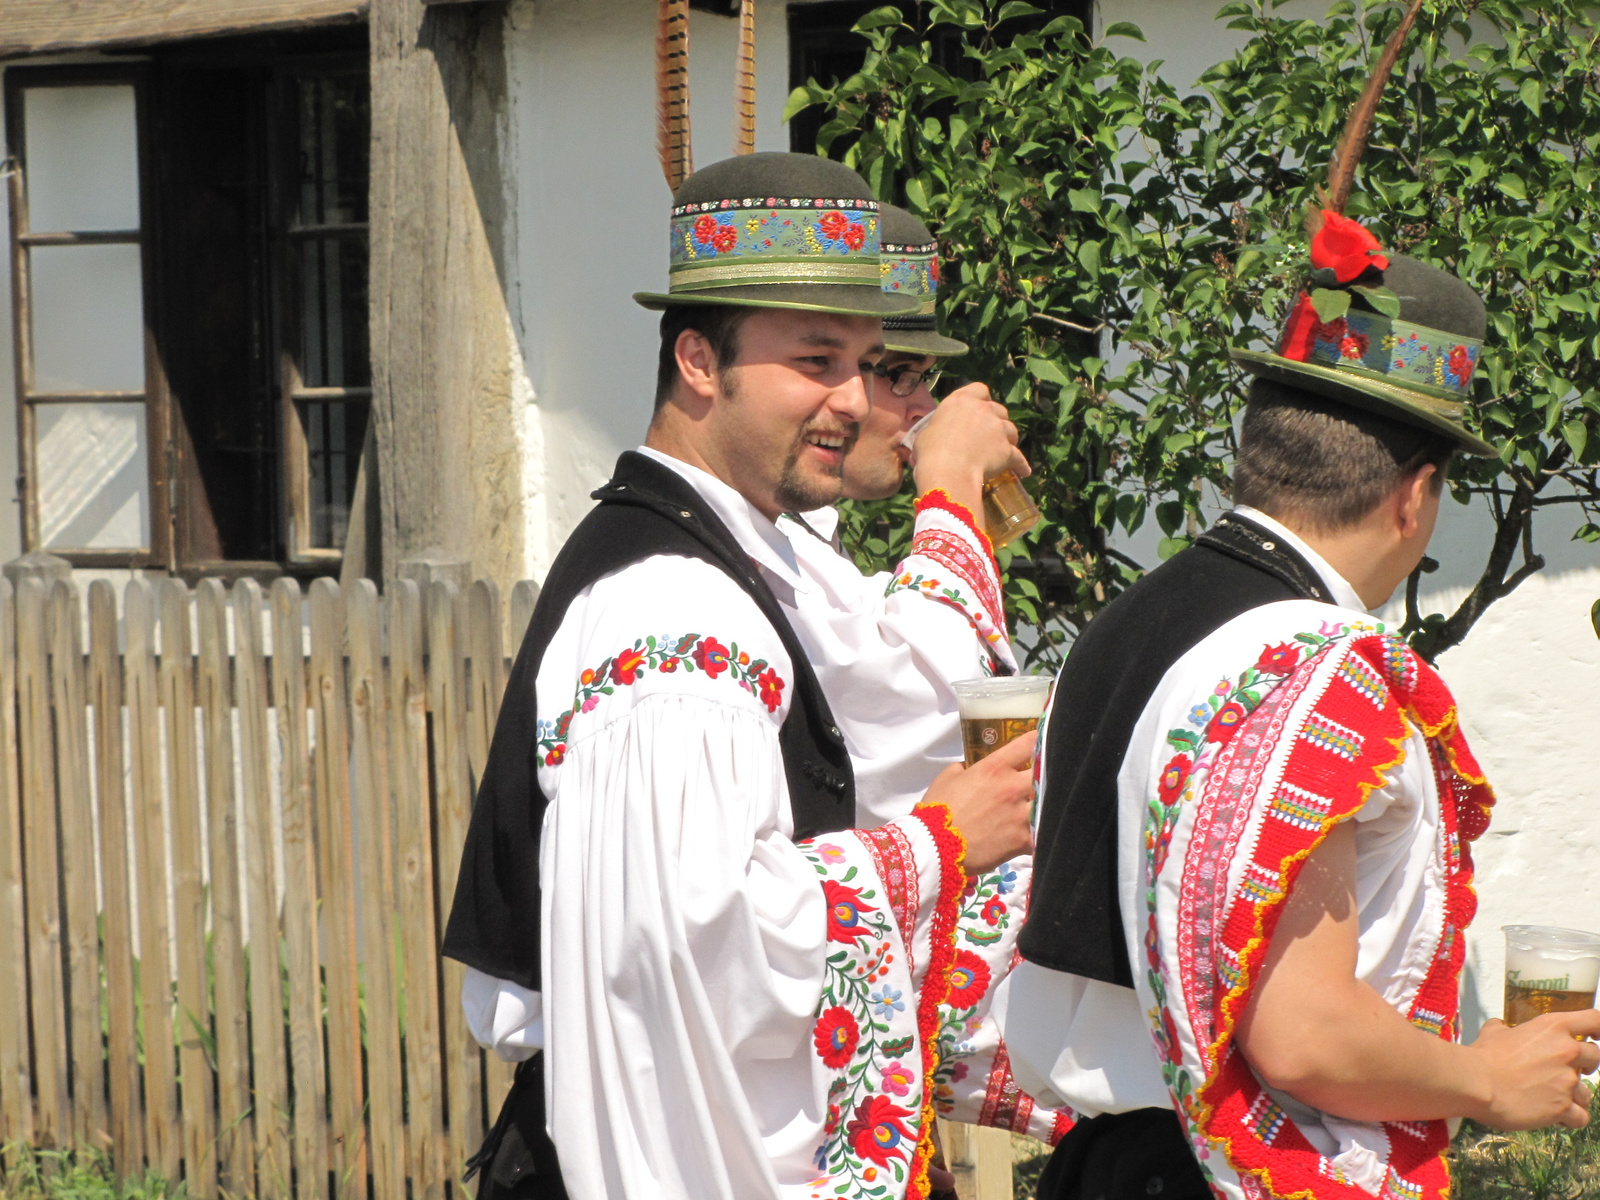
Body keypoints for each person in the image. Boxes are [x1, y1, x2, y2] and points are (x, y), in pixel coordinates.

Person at [442, 152, 1039, 1200]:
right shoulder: (675, 615)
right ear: (699, 363)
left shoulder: (729, 564)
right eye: (817, 359)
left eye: (867, 363)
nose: (854, 401)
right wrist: (936, 842)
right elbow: (694, 951)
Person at [1002, 210, 1600, 1200]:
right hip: (1227, 1170)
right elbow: (1301, 1032)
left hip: (1103, 1163)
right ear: (1414, 495)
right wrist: (1483, 1078)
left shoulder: (1131, 621)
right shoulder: (1312, 669)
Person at [778, 203, 1068, 1144]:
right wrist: (948, 489)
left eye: (923, 378)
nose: (910, 407)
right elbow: (919, 703)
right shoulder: (762, 551)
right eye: (892, 373)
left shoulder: (810, 549)